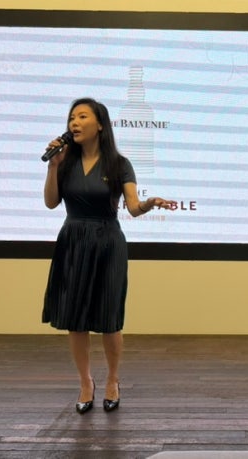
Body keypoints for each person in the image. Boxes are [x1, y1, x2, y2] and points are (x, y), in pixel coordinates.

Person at [41, 97, 176, 414]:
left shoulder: (119, 164)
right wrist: (53, 166)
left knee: (109, 319)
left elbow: (133, 207)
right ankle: (85, 382)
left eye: (82, 116)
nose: (74, 122)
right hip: (73, 240)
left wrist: (150, 203)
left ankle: (113, 380)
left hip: (107, 242)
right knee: (75, 320)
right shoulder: (65, 161)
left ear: (100, 124)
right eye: (72, 117)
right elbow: (50, 202)